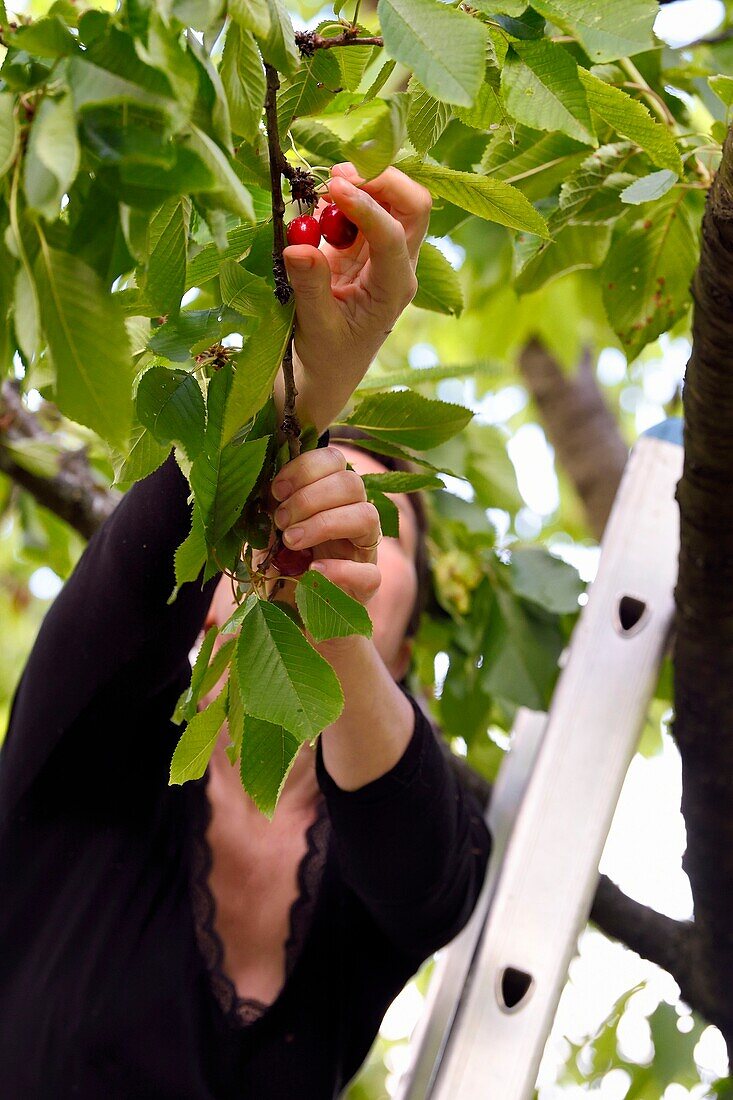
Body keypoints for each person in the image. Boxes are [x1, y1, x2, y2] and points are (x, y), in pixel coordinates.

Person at [0, 163, 492, 1098]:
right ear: (209, 601)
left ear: (405, 648)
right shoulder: (100, 759)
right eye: (268, 514)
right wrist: (302, 389)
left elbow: (421, 866)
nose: (310, 524)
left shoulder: (418, 845)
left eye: (377, 529)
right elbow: (125, 589)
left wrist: (328, 615)